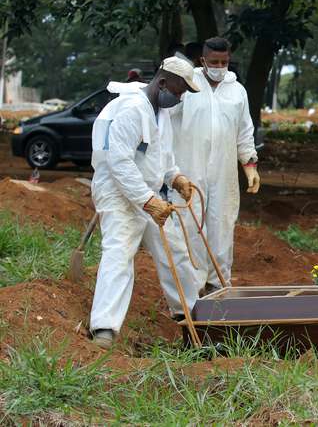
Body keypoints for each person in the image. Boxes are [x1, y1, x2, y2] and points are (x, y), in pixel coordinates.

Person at [89, 57, 201, 349]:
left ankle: (192, 317)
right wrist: (147, 201)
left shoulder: (159, 112)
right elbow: (119, 161)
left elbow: (161, 157)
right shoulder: (131, 109)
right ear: (163, 83)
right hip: (118, 193)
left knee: (174, 251)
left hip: (149, 194)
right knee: (119, 252)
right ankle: (104, 329)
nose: (179, 98)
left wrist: (175, 178)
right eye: (179, 92)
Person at [170, 37, 260, 294]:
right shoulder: (188, 85)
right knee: (191, 225)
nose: (220, 67)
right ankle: (192, 287)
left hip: (224, 171)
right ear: (203, 61)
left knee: (222, 226)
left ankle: (219, 284)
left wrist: (249, 164)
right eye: (214, 62)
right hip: (189, 167)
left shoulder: (237, 91)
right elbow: (165, 120)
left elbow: (245, 131)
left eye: (224, 62)